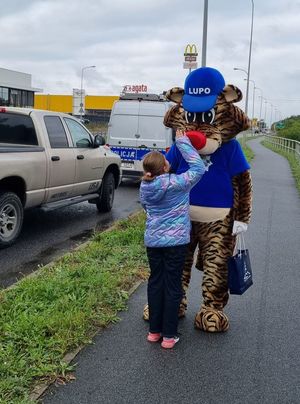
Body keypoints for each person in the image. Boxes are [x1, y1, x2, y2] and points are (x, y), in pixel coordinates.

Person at [140, 130, 206, 349]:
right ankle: (169, 335)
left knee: (155, 282)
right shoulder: (178, 183)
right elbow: (198, 167)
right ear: (166, 167)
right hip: (176, 243)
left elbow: (146, 208)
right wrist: (183, 142)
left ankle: (154, 332)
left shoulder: (145, 187)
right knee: (173, 285)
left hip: (153, 242)